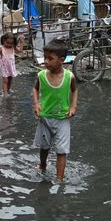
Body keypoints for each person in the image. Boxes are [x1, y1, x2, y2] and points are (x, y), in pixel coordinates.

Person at [32, 39, 78, 182]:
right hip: (45, 117)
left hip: (62, 119)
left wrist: (73, 106)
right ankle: (42, 165)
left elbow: (74, 90)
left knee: (62, 151)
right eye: (45, 57)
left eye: (50, 59)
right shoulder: (41, 76)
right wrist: (37, 104)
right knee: (44, 147)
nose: (46, 61)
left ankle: (60, 179)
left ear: (61, 60)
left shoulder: (69, 77)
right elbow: (35, 88)